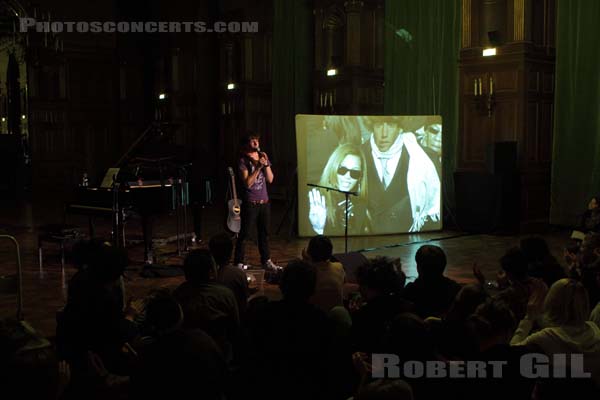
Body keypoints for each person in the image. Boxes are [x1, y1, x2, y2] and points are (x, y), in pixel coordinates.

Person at [360, 117, 440, 233]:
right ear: (372, 126)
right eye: (378, 125)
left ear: (400, 128)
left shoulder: (426, 159)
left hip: (408, 240)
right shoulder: (356, 155)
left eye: (391, 126)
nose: (384, 134)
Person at [233, 132, 279, 270]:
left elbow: (270, 179)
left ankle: (266, 260)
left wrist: (266, 164)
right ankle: (239, 262)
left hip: (264, 202)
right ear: (246, 144)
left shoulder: (262, 156)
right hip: (250, 203)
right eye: (252, 140)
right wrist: (258, 167)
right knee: (245, 234)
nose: (256, 143)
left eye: (257, 140)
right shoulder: (243, 160)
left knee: (264, 234)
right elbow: (248, 183)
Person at [308, 143, 370, 235]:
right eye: (342, 170)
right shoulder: (316, 200)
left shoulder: (361, 205)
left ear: (360, 177)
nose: (347, 176)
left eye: (355, 172)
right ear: (332, 168)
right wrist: (318, 229)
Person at [302, 234, 346, 312]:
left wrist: (305, 259)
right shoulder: (339, 267)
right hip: (336, 315)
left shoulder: (307, 272)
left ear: (309, 253)